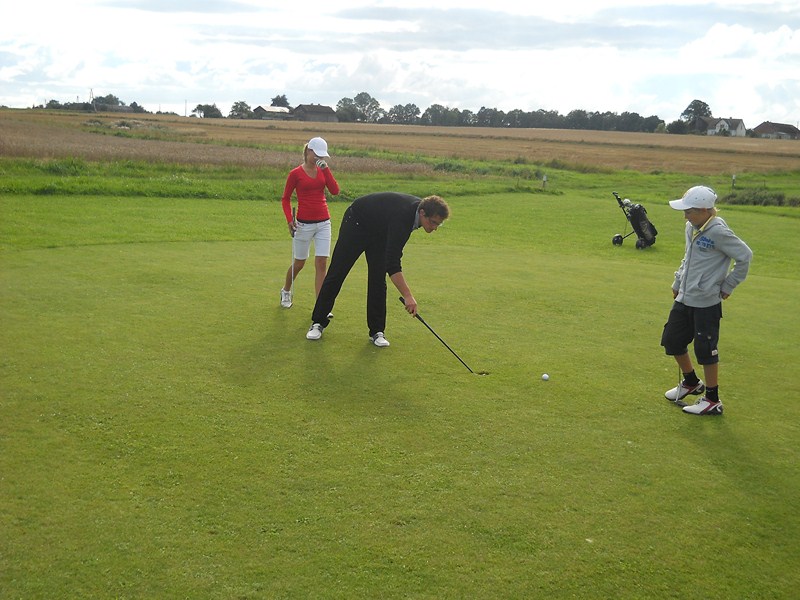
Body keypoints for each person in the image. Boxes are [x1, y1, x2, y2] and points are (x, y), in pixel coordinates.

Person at [305, 192, 450, 347]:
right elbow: (393, 264)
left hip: (380, 231)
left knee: (378, 279)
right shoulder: (403, 216)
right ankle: (318, 322)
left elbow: (391, 258)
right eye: (433, 222)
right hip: (357, 223)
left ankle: (377, 331)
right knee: (337, 272)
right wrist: (408, 296)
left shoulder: (416, 214)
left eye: (438, 224)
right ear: (422, 213)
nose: (434, 228)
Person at [661, 185, 752, 415]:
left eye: (689, 211)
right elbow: (688, 257)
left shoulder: (719, 232)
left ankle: (712, 399)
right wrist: (678, 281)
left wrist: (728, 285)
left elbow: (745, 256)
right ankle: (691, 382)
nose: (685, 216)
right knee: (672, 340)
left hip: (707, 302)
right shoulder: (690, 227)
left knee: (705, 350)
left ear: (704, 210)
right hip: (685, 297)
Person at [279, 137, 340, 308]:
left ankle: (321, 306)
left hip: (324, 223)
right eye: (317, 155)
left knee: (321, 263)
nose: (319, 158)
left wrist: (326, 170)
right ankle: (286, 290)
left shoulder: (323, 170)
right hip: (303, 224)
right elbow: (285, 199)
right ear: (308, 151)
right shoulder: (295, 174)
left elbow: (335, 191)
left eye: (322, 156)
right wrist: (289, 220)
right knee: (299, 263)